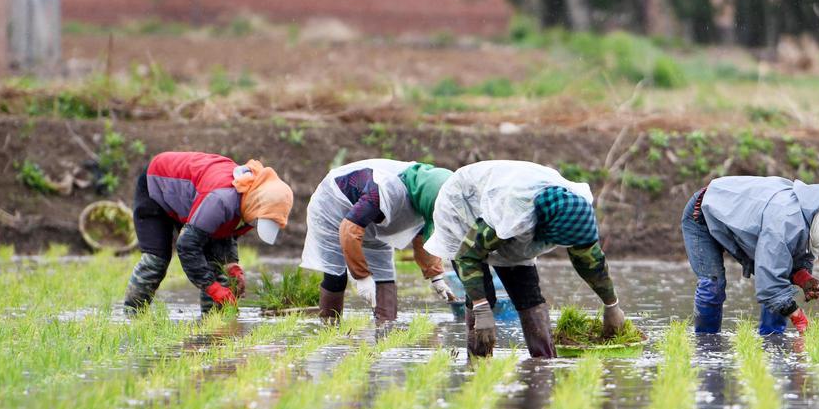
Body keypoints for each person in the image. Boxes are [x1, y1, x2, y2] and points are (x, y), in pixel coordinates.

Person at [425, 160, 627, 359]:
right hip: (465, 201)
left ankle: (544, 362)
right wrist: (481, 308)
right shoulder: (513, 212)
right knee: (485, 295)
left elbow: (589, 260)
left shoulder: (576, 209)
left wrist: (611, 305)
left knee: (528, 294)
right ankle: (478, 362)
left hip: (509, 201)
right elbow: (467, 256)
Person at [682, 176, 819, 336]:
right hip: (704, 212)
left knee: (782, 286)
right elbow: (770, 287)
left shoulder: (807, 217)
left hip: (741, 217)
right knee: (712, 285)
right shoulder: (784, 221)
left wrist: (803, 277)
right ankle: (706, 344)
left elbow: (786, 263)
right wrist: (800, 319)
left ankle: (772, 341)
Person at [123, 152, 293, 315]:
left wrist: (231, 264)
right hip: (157, 185)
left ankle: (213, 323)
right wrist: (212, 287)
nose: (256, 225)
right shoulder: (221, 199)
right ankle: (132, 317)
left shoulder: (248, 198)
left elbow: (225, 231)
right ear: (256, 204)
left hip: (193, 200)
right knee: (156, 261)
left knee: (219, 269)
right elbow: (187, 245)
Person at [301, 159, 463, 324]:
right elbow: (349, 229)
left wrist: (436, 276)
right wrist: (361, 276)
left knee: (384, 276)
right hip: (335, 208)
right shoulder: (383, 191)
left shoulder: (428, 199)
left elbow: (423, 238)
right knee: (336, 275)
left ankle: (385, 328)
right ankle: (329, 327)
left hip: (377, 218)